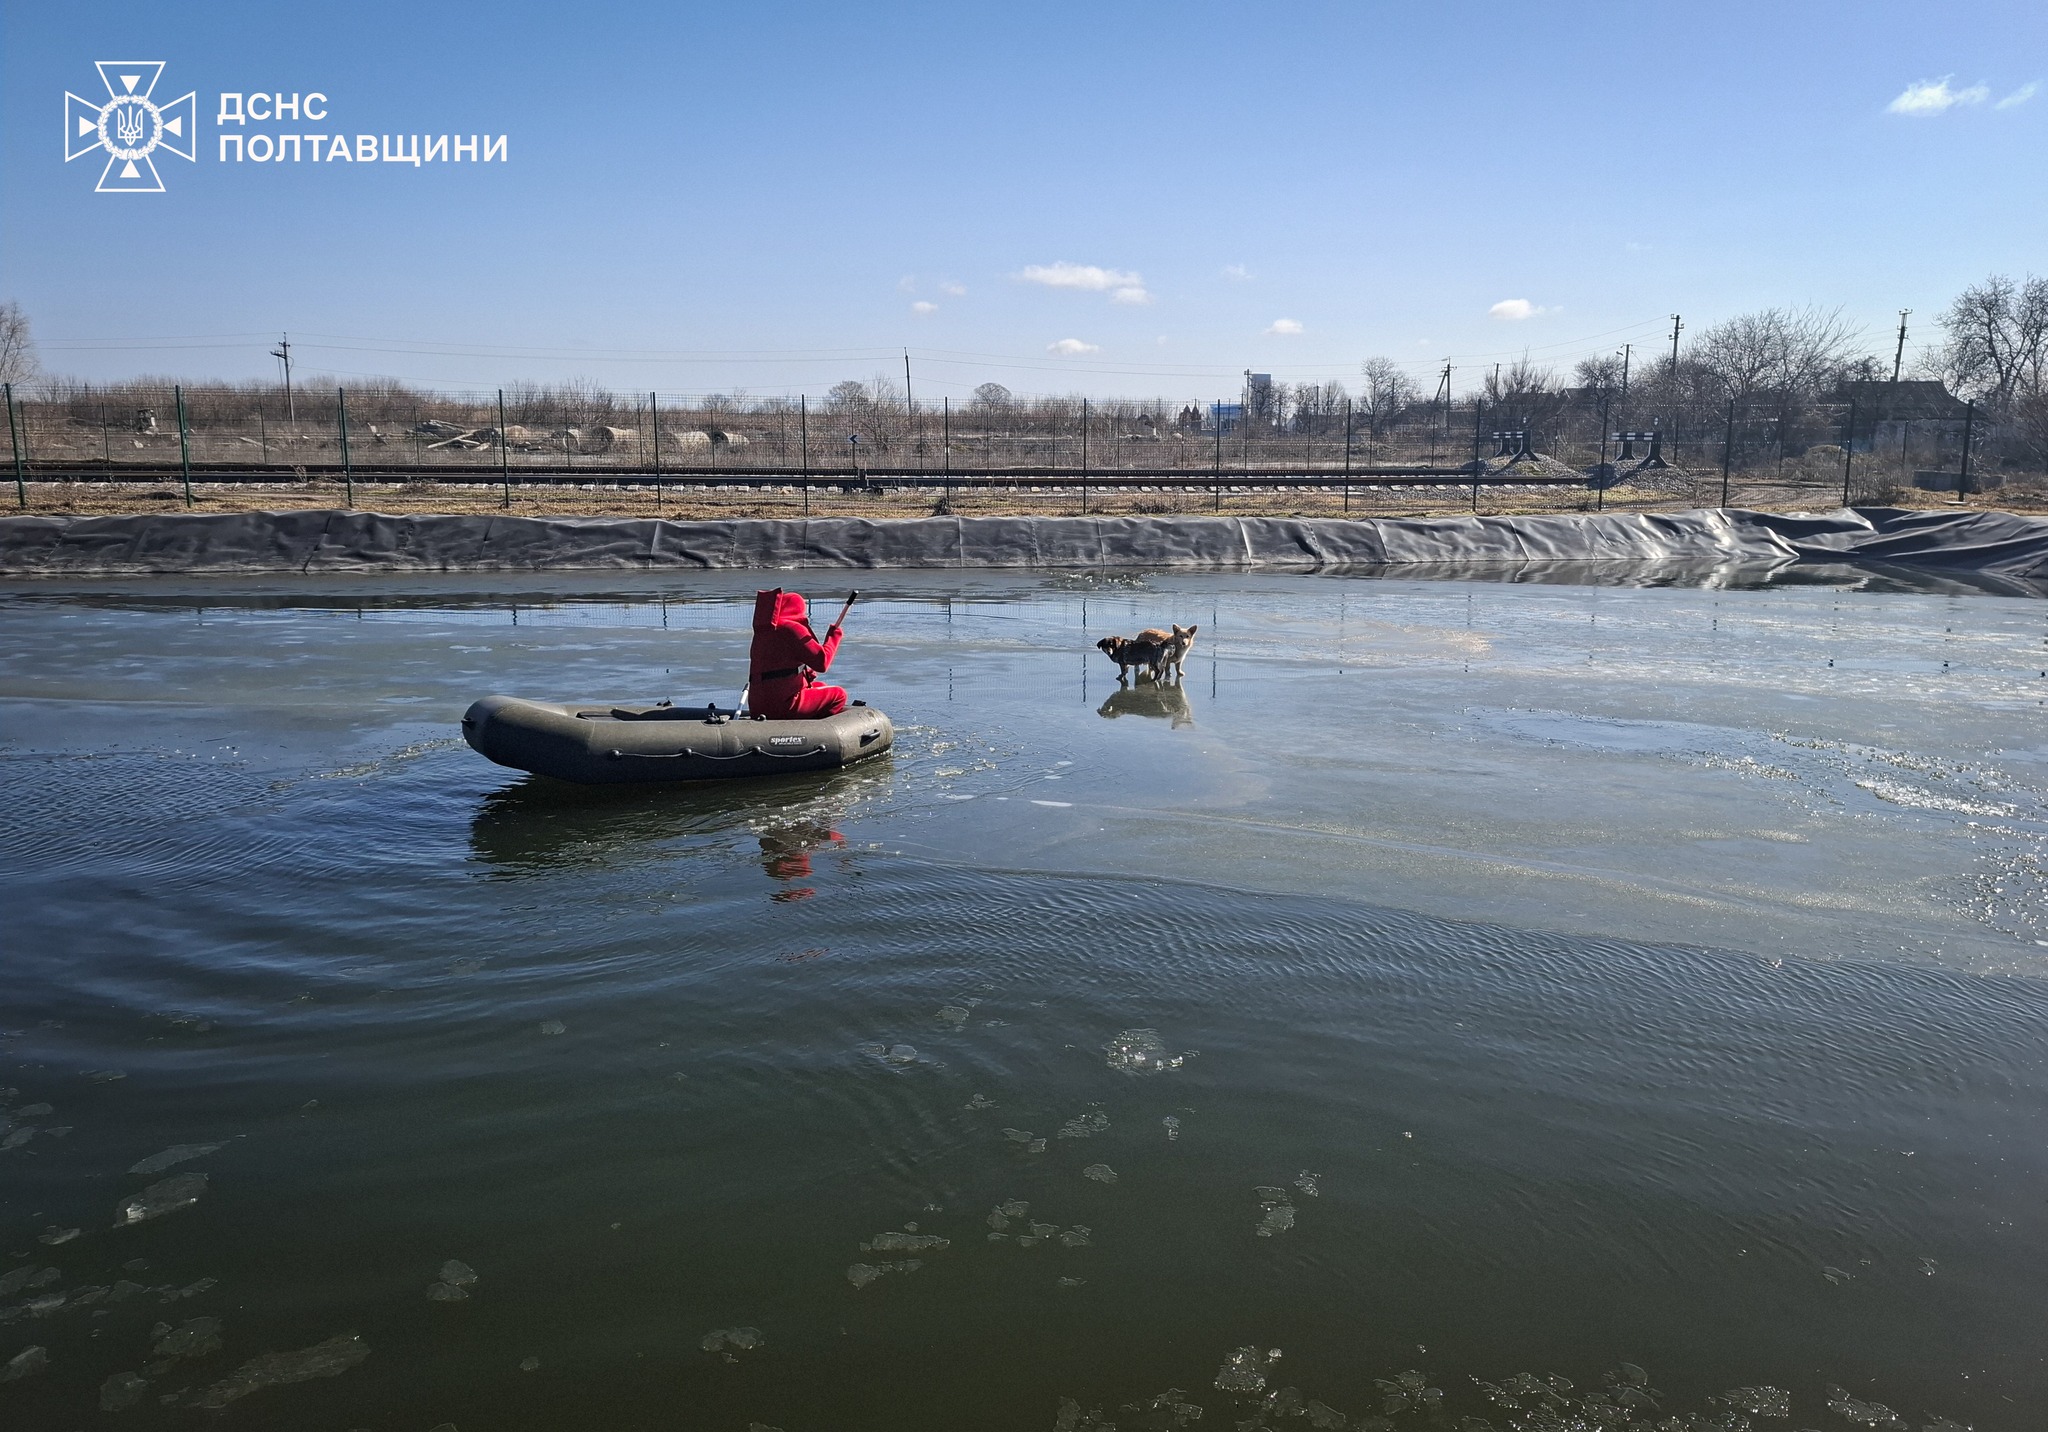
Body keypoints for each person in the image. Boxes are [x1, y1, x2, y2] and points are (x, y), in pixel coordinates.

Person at [748, 588, 848, 719]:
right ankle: (812, 729)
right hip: (783, 705)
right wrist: (834, 635)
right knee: (839, 694)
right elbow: (822, 663)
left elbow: (776, 666)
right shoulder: (792, 629)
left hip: (757, 705)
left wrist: (805, 675)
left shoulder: (764, 632)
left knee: (820, 686)